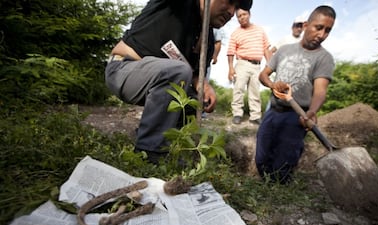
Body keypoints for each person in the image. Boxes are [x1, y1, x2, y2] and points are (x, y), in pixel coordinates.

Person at [105, 0, 253, 163]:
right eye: (230, 1)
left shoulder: (206, 40)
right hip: (123, 69)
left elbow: (195, 74)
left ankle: (163, 142)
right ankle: (149, 152)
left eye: (236, 7)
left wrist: (203, 85)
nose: (232, 12)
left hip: (157, 79)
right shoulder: (177, 5)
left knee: (195, 101)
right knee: (178, 71)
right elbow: (182, 71)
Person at [255, 5, 336, 184]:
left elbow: (320, 90)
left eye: (327, 31)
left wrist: (312, 112)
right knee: (261, 155)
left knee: (283, 164)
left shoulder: (324, 58)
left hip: (297, 116)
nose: (322, 34)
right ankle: (266, 182)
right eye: (319, 27)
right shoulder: (284, 50)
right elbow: (263, 74)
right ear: (306, 25)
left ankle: (279, 188)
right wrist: (272, 84)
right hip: (273, 110)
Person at [227, 8, 272, 125]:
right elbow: (231, 51)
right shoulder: (236, 33)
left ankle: (255, 116)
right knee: (239, 89)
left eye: (244, 14)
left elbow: (266, 48)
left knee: (255, 91)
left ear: (249, 14)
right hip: (242, 64)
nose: (242, 17)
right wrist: (231, 68)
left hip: (257, 65)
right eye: (239, 16)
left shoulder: (260, 30)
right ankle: (237, 114)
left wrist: (270, 65)